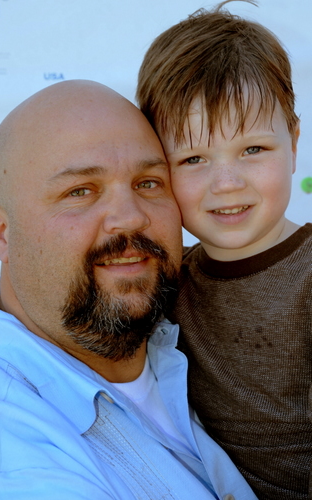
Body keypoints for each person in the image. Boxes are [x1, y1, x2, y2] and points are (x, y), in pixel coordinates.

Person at [0, 79, 257, 499]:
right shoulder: (10, 459)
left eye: (148, 182)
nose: (128, 217)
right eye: (80, 191)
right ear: (3, 233)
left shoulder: (205, 312)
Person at [136, 1, 312, 499]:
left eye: (253, 150)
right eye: (193, 158)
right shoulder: (165, 280)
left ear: (294, 142)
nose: (227, 183)